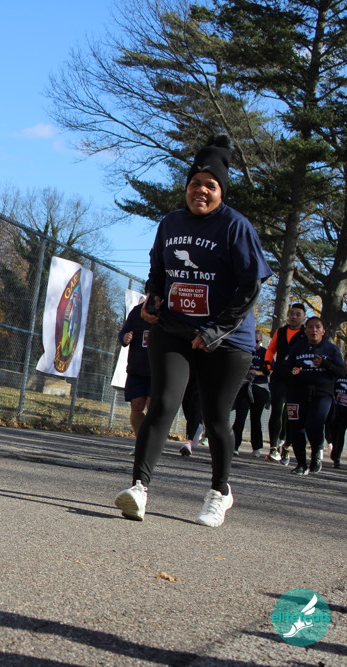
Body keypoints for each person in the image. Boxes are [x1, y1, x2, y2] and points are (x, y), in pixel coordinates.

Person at [114, 135, 273, 527]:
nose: (201, 190)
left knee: (216, 418)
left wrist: (217, 330)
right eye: (195, 184)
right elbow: (158, 271)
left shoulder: (235, 226)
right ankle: (139, 488)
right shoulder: (171, 223)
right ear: (186, 187)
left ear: (221, 191)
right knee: (163, 404)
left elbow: (250, 286)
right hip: (174, 329)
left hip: (227, 339)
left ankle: (220, 492)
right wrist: (153, 300)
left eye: (210, 186)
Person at [278, 316, 345, 475]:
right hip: (297, 392)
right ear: (306, 330)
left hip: (322, 393)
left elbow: (341, 372)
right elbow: (283, 369)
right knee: (295, 427)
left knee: (314, 424)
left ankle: (316, 454)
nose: (314, 330)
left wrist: (325, 364)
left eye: (317, 327)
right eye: (310, 327)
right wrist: (292, 371)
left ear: (323, 331)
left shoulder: (331, 349)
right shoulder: (297, 348)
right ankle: (301, 464)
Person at [263, 303, 307, 463]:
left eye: (298, 314)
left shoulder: (306, 334)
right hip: (280, 375)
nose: (294, 317)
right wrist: (267, 363)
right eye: (291, 313)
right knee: (276, 409)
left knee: (291, 413)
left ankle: (286, 446)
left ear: (304, 317)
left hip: (297, 378)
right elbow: (271, 349)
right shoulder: (281, 331)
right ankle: (273, 448)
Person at [231, 331, 270, 456]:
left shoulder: (265, 353)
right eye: (252, 340)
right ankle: (234, 445)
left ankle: (256, 447)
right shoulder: (244, 350)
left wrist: (259, 373)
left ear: (261, 341)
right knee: (240, 417)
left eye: (257, 341)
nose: (254, 344)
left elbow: (271, 370)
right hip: (244, 386)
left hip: (259, 386)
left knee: (256, 418)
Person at [118, 298, 152, 442]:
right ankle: (141, 443)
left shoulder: (169, 312)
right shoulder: (137, 311)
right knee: (136, 405)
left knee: (153, 407)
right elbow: (123, 332)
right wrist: (124, 338)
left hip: (158, 370)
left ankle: (151, 443)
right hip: (137, 367)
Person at [326, 375, 347, 469]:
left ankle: (337, 458)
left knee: (341, 432)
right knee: (333, 432)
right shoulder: (338, 374)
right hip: (335, 408)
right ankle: (335, 451)